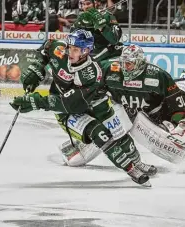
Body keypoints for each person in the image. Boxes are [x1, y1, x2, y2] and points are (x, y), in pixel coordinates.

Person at [10, 29, 156, 186]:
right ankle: (132, 170)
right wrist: (37, 68)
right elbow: (45, 49)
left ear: (86, 51)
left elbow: (71, 102)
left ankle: (138, 162)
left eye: (75, 49)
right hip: (67, 113)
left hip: (90, 103)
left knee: (119, 132)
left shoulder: (91, 74)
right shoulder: (60, 50)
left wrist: (36, 101)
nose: (70, 52)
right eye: (70, 47)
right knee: (100, 134)